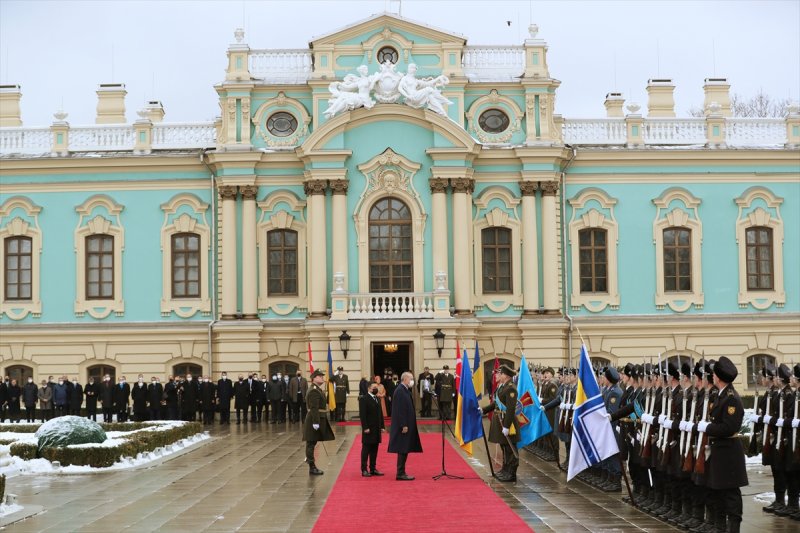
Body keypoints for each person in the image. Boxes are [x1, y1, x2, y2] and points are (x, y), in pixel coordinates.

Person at [693, 356, 748, 533]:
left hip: (728, 454)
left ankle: (733, 528)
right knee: (717, 492)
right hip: (719, 452)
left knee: (730, 494)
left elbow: (728, 427)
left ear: (717, 377)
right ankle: (719, 526)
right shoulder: (721, 395)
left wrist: (707, 427)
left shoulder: (731, 398)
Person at [480, 364, 520, 482]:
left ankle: (511, 473)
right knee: (504, 447)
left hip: (508, 422)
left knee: (510, 448)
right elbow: (496, 404)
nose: (497, 375)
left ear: (506, 375)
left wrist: (507, 426)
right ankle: (505, 469)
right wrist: (484, 409)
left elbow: (511, 409)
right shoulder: (501, 387)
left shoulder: (511, 388)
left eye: (500, 373)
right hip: (501, 421)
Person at [387, 372, 422, 481]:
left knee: (405, 448)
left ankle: (402, 472)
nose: (412, 381)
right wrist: (404, 425)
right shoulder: (400, 391)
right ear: (405, 379)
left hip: (406, 424)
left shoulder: (404, 390)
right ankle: (400, 473)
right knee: (402, 448)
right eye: (411, 378)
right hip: (403, 426)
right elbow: (400, 410)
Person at [303, 369, 335, 475]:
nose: (322, 378)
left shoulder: (317, 389)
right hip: (314, 419)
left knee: (312, 442)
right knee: (311, 443)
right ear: (314, 378)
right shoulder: (313, 390)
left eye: (322, 376)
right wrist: (316, 422)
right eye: (320, 376)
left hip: (317, 418)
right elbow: (314, 408)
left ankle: (310, 462)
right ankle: (312, 467)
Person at [359, 381, 386, 477]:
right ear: (369, 388)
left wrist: (382, 426)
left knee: (375, 449)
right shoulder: (364, 399)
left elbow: (380, 414)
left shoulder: (377, 399)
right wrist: (365, 427)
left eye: (377, 387)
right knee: (366, 450)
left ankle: (373, 468)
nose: (376, 389)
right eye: (374, 387)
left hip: (376, 429)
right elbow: (363, 415)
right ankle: (364, 469)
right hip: (368, 429)